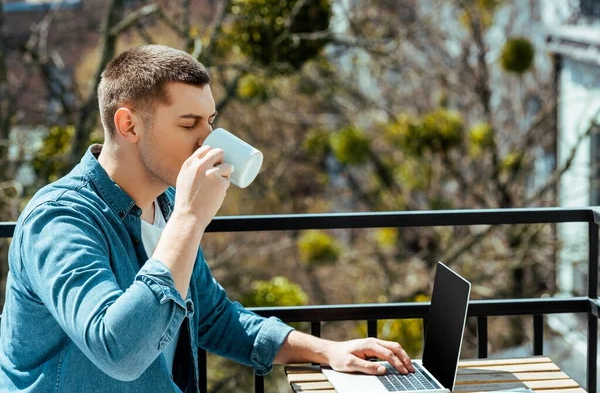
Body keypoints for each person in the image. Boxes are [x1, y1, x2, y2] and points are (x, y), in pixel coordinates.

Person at [0, 45, 414, 392]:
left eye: (211, 122)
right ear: (128, 125)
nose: (207, 140)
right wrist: (189, 219)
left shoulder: (166, 206)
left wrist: (327, 351)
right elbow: (118, 351)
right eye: (188, 123)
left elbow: (214, 317)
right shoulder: (60, 220)